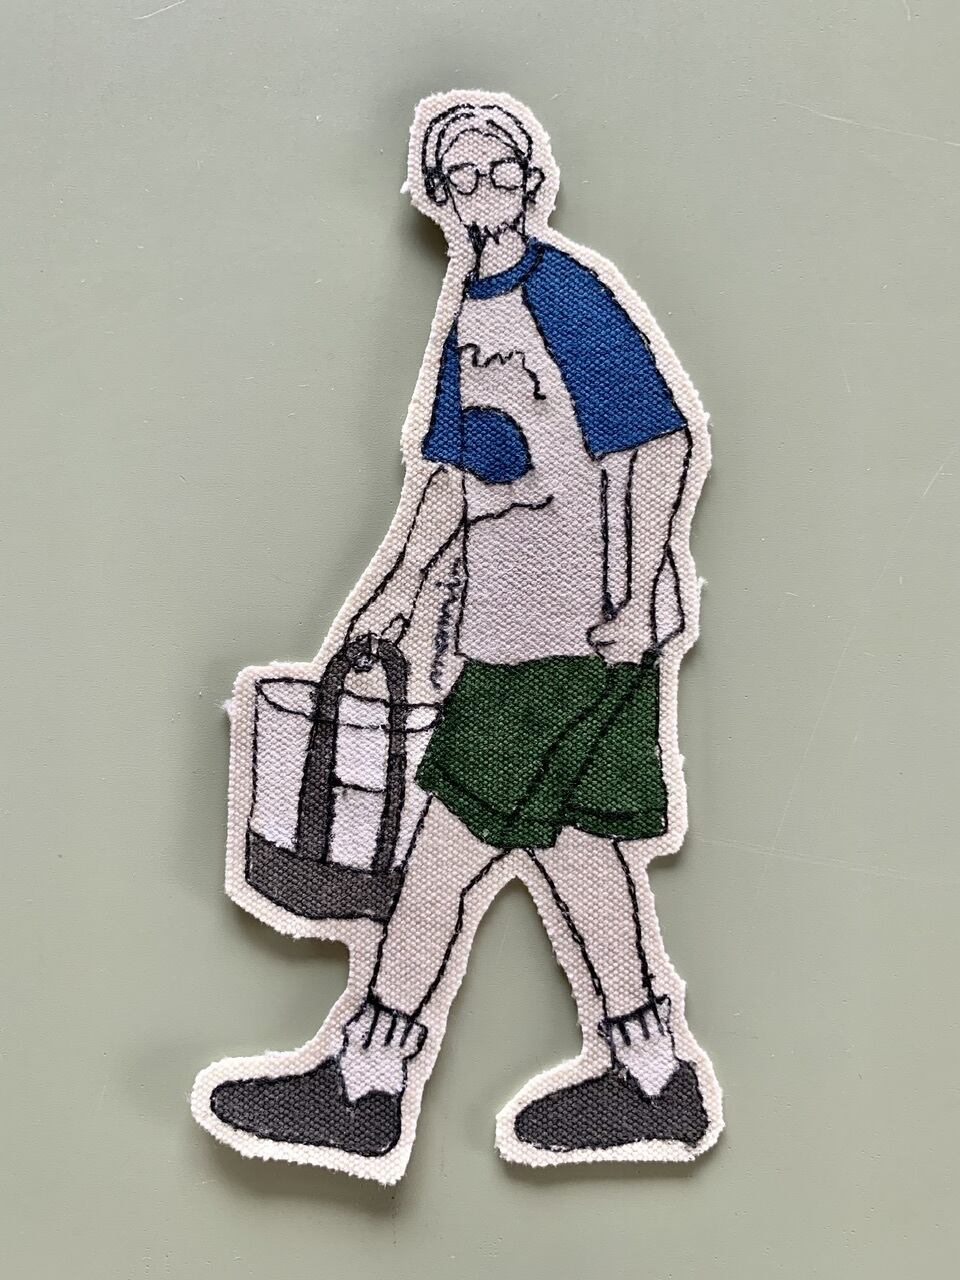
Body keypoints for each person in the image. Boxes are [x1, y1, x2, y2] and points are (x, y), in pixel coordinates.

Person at [205, 92, 721, 1170]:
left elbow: (662, 442)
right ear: (436, 194)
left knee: (444, 845)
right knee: (577, 848)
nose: (482, 193)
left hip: (572, 636)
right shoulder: (471, 310)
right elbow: (451, 472)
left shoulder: (565, 293)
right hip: (522, 630)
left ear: (532, 181)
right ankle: (654, 1074)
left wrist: (635, 596)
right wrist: (396, 590)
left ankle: (366, 1080)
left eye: (499, 172)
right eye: (461, 178)